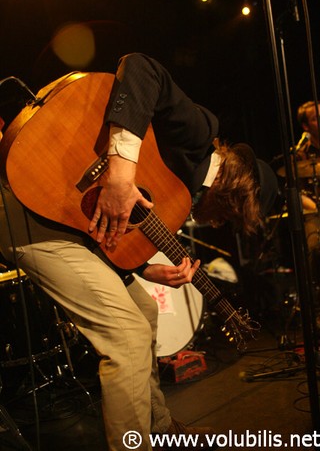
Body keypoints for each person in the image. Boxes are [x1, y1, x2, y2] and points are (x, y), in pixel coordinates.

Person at [0, 53, 278, 451]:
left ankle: (158, 427)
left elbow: (108, 228)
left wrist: (147, 268)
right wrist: (121, 172)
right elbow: (141, 67)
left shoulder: (177, 197)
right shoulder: (198, 133)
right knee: (127, 337)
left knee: (145, 312)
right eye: (228, 218)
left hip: (64, 222)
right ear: (236, 196)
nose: (217, 225)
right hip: (32, 211)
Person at [296, 101, 320, 291]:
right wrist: (310, 204)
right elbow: (294, 190)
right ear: (306, 127)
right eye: (315, 118)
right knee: (314, 245)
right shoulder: (301, 155)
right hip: (314, 211)